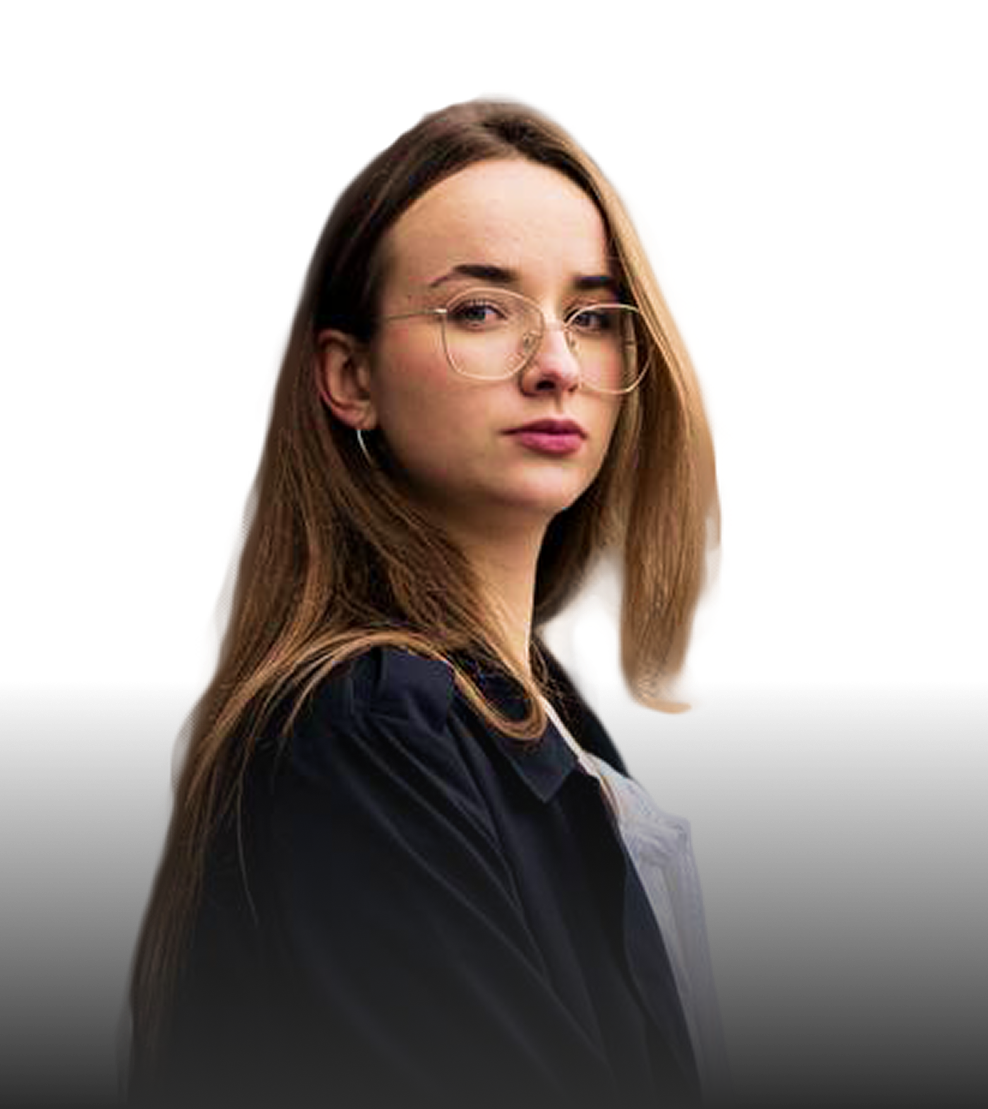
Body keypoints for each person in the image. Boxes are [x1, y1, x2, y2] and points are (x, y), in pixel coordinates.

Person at [129, 90, 732, 1109]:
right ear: (349, 377)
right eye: (479, 311)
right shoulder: (367, 722)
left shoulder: (546, 717)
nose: (555, 365)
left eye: (591, 316)